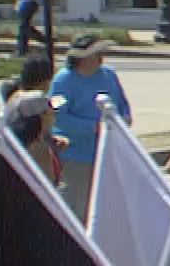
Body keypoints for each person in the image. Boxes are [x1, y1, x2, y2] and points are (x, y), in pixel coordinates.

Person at [50, 35, 132, 222]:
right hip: (77, 155)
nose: (101, 58)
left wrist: (125, 118)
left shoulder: (109, 74)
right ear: (82, 58)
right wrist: (92, 127)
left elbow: (121, 103)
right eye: (96, 54)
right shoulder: (63, 80)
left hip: (108, 153)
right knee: (77, 207)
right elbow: (59, 118)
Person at [9, 91, 64, 184]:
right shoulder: (35, 148)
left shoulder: (15, 142)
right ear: (41, 116)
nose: (54, 116)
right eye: (52, 112)